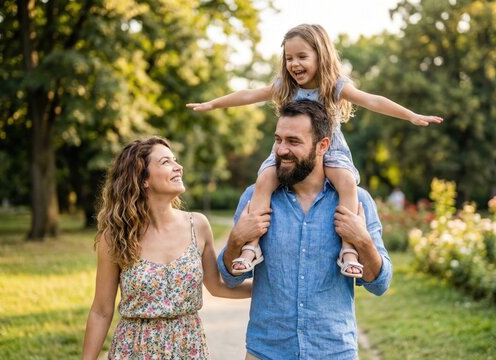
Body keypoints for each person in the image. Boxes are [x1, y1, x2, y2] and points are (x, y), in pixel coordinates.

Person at [187, 23, 441, 278]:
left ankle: (349, 250)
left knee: (347, 182)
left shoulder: (335, 86)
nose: (294, 64)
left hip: (330, 148)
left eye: (302, 57)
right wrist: (213, 104)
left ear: (321, 56)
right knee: (264, 180)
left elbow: (372, 100)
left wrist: (410, 115)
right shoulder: (285, 88)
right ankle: (251, 246)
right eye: (289, 58)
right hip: (294, 149)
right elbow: (248, 94)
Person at [217, 100, 392, 359]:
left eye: (293, 141)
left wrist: (362, 240)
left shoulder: (357, 201)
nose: (282, 150)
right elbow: (231, 278)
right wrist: (236, 240)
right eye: (278, 140)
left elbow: (380, 284)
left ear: (323, 145)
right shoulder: (255, 198)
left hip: (334, 351)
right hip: (266, 351)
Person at [82, 136, 251, 360]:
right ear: (143, 179)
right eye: (166, 162)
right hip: (135, 350)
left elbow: (216, 286)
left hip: (188, 348)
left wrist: (266, 289)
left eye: (175, 160)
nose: (178, 167)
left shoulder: (197, 226)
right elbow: (101, 311)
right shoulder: (116, 237)